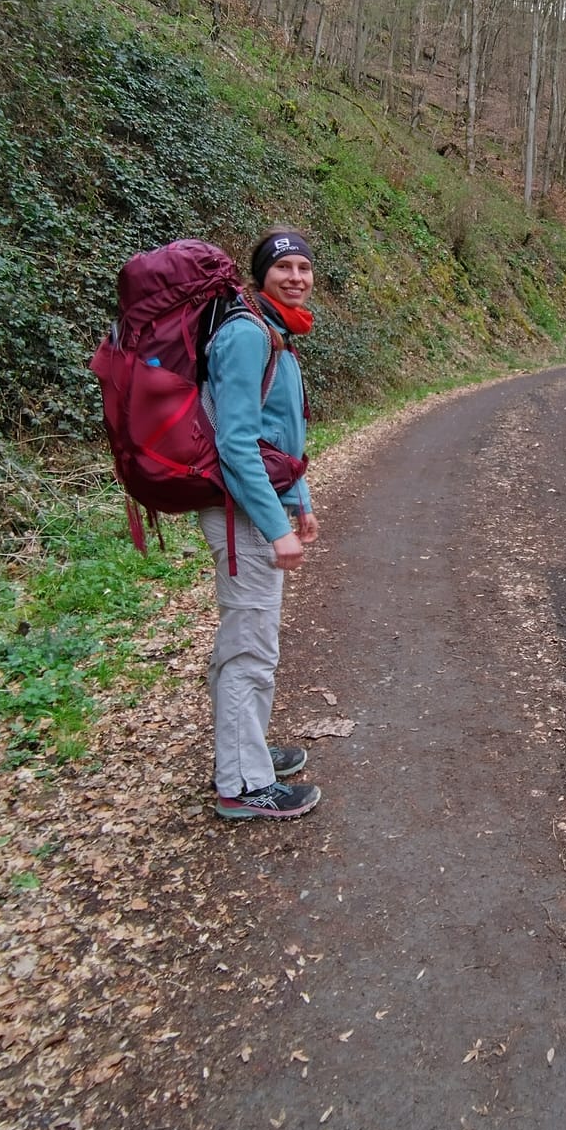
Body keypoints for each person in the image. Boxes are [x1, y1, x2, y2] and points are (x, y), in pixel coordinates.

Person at [200, 227, 322, 819]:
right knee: (250, 647)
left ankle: (248, 754)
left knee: (253, 640)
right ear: (261, 275)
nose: (296, 277)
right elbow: (237, 444)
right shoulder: (247, 336)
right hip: (240, 511)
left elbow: (283, 435)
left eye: (303, 266)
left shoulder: (275, 331)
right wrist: (277, 526)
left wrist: (301, 502)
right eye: (284, 267)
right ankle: (241, 785)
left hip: (258, 503)